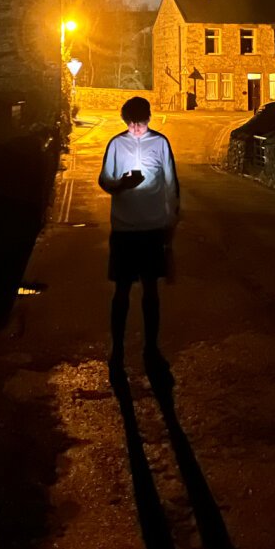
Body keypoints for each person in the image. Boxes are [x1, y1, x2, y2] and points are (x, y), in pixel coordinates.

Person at [98, 96, 179, 372]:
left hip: (152, 229)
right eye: (130, 123)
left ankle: (151, 346)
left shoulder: (160, 143)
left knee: (150, 291)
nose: (135, 128)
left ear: (148, 118)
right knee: (121, 291)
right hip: (124, 229)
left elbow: (170, 184)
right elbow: (104, 181)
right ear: (124, 121)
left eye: (139, 123)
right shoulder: (116, 144)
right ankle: (117, 347)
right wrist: (122, 183)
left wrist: (170, 223)